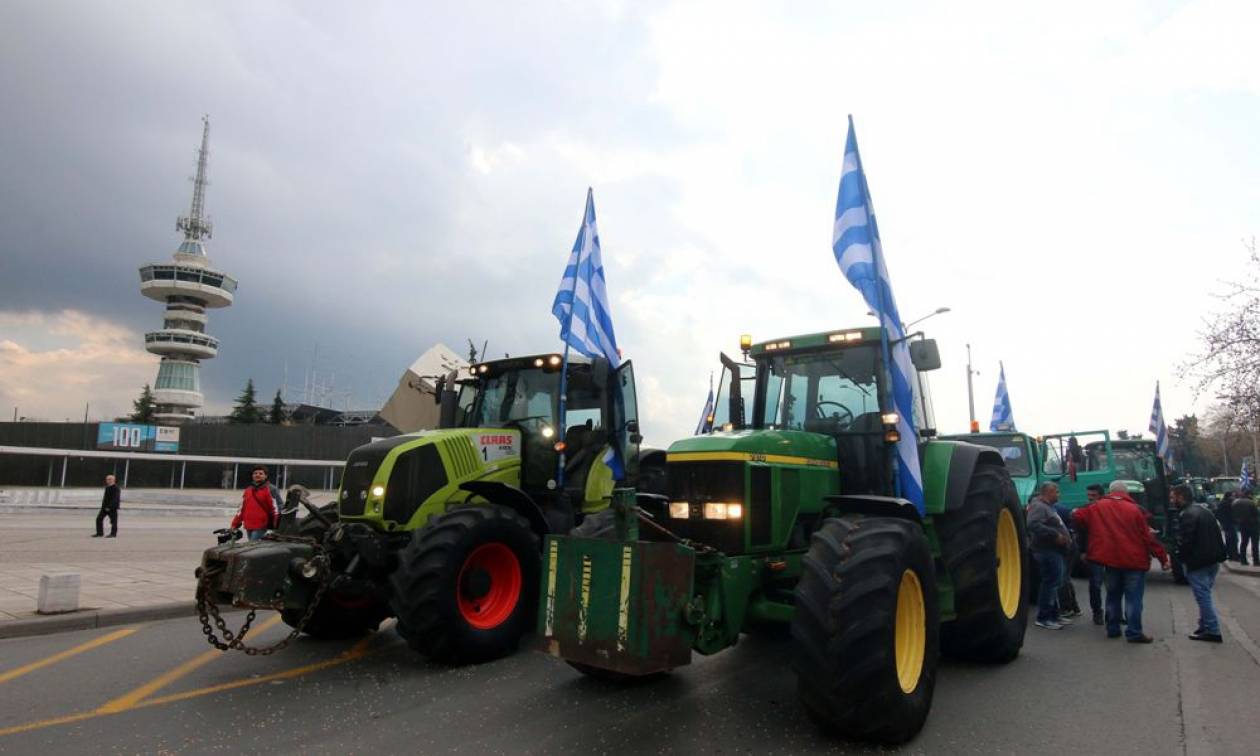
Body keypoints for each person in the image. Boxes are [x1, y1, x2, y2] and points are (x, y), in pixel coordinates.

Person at [1072, 480, 1170, 643]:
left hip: (1110, 561)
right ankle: (1134, 632)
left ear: (1110, 492)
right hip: (1134, 561)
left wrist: (1091, 537)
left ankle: (1113, 628)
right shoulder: (1135, 510)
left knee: (1113, 595)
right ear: (1126, 494)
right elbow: (1147, 538)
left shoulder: (1096, 507)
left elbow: (1076, 516)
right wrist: (1163, 558)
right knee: (1133, 598)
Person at [1172, 483, 1227, 643]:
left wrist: (1180, 556)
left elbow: (1186, 540)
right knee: (1205, 595)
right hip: (1212, 560)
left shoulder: (1187, 514)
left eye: (1173, 496)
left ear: (1181, 497)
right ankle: (1204, 626)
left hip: (1198, 562)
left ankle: (1212, 630)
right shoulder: (1204, 511)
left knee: (1203, 597)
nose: (1171, 500)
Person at [1027, 482, 1072, 630]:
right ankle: (1044, 617)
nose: (1058, 494)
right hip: (1047, 551)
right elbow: (1033, 524)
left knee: (1055, 583)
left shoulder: (1048, 507)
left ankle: (1054, 615)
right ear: (1047, 492)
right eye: (1056, 492)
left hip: (1054, 551)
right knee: (1050, 583)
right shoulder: (1039, 506)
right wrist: (1055, 535)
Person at [1076, 484, 1107, 624]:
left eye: (1093, 496)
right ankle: (1097, 612)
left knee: (1113, 584)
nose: (1090, 499)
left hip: (1109, 551)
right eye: (1089, 496)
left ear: (1101, 495)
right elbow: (1080, 533)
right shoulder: (1086, 510)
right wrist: (1082, 550)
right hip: (1094, 551)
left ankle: (1114, 612)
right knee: (1095, 583)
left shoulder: (1108, 509)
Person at [230, 465, 282, 541]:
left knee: (252, 546)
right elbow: (241, 509)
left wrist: (275, 526)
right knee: (252, 547)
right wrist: (234, 524)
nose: (257, 475)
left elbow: (276, 508)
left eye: (260, 473)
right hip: (249, 525)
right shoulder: (248, 490)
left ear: (266, 476)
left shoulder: (271, 489)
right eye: (255, 473)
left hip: (262, 526)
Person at [1231, 491, 1259, 566]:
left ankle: (1243, 560)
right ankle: (1256, 561)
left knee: (1244, 542)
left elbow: (1233, 514)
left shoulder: (1235, 503)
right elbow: (1256, 513)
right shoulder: (1251, 502)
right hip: (1253, 525)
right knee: (1255, 543)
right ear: (1249, 495)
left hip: (1242, 525)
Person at [92, 474, 121, 538]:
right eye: (107, 479)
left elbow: (116, 499)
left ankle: (113, 534)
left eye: (109, 479)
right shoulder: (107, 488)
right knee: (99, 519)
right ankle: (99, 533)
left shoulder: (116, 488)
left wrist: (110, 507)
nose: (108, 480)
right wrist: (103, 507)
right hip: (104, 507)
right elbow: (105, 499)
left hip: (112, 508)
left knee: (113, 521)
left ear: (113, 480)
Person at [1216, 491, 1238, 562]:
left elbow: (1218, 514)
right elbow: (1232, 514)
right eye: (1232, 495)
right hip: (1229, 524)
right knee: (1233, 540)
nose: (1234, 497)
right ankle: (1233, 555)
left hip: (1226, 524)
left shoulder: (1222, 503)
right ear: (1229, 496)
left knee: (1229, 539)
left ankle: (1229, 554)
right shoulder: (1228, 503)